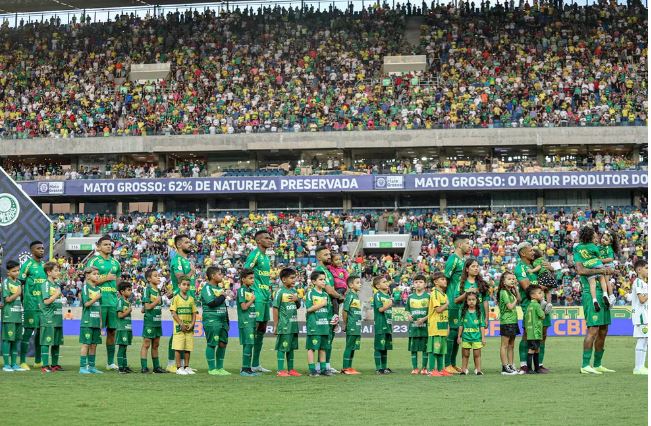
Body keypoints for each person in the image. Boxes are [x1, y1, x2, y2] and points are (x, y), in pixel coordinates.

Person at [575, 226, 616, 375]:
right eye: (595, 235)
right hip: (590, 293)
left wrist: (609, 271)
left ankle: (597, 364)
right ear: (590, 237)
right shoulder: (578, 249)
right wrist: (602, 270)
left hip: (603, 291)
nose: (597, 237)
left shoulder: (595, 249)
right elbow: (580, 271)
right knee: (593, 329)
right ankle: (585, 365)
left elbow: (604, 265)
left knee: (604, 329)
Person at [86, 235, 122, 371]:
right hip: (98, 301)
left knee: (112, 332)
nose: (109, 246)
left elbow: (117, 281)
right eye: (105, 244)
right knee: (95, 331)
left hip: (112, 301)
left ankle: (110, 362)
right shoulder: (93, 261)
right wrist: (106, 277)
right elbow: (89, 279)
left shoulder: (116, 263)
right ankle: (90, 363)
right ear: (99, 246)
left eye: (110, 244)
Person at [515, 242, 551, 373]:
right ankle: (524, 364)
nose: (533, 252)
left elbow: (550, 280)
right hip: (529, 306)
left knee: (543, 334)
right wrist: (544, 287)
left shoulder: (536, 265)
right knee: (527, 334)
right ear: (523, 253)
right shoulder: (520, 268)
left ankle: (539, 365)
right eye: (530, 250)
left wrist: (550, 269)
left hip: (543, 304)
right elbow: (527, 287)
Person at [243, 230, 274, 374]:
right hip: (257, 297)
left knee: (262, 329)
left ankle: (255, 364)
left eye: (270, 238)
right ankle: (246, 366)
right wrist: (249, 292)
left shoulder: (266, 258)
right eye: (267, 238)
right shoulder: (255, 254)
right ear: (259, 241)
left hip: (265, 297)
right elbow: (245, 270)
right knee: (253, 329)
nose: (270, 240)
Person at [166, 234, 197, 372]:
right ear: (178, 245)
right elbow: (180, 278)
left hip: (188, 298)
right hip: (180, 299)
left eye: (190, 241)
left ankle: (184, 365)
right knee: (177, 332)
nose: (190, 244)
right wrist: (192, 272)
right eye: (186, 242)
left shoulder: (185, 260)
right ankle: (172, 363)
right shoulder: (177, 259)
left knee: (186, 332)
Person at [314, 246, 344, 374]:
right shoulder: (319, 271)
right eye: (325, 255)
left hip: (331, 308)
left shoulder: (328, 271)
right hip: (323, 309)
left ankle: (326, 364)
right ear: (319, 257)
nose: (329, 257)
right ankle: (319, 365)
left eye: (329, 255)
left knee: (330, 336)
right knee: (325, 337)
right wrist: (340, 296)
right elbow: (329, 290)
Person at [18, 240, 47, 370]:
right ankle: (22, 361)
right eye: (39, 248)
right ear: (32, 251)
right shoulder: (27, 265)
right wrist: (22, 300)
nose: (42, 250)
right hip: (31, 304)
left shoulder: (45, 266)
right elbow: (20, 283)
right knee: (28, 332)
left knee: (40, 333)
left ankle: (38, 360)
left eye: (42, 248)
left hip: (43, 305)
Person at [444, 234, 470, 374]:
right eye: (467, 243)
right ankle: (447, 363)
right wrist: (446, 298)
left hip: (460, 300)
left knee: (457, 332)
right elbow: (444, 279)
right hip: (452, 301)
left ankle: (453, 364)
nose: (469, 246)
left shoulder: (463, 260)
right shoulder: (453, 259)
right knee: (452, 332)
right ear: (459, 245)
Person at [201, 266, 231, 376]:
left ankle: (220, 368)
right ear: (213, 276)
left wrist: (227, 321)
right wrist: (223, 296)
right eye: (219, 274)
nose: (221, 276)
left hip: (222, 320)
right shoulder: (207, 288)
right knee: (212, 343)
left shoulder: (219, 289)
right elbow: (211, 303)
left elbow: (223, 305)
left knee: (223, 343)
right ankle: (212, 368)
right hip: (212, 319)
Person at [272, 267, 301, 377]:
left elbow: (297, 306)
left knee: (291, 347)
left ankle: (291, 369)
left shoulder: (293, 291)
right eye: (292, 278)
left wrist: (297, 299)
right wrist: (276, 325)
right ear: (284, 279)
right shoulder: (280, 292)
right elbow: (275, 308)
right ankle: (280, 370)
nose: (294, 280)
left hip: (293, 325)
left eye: (295, 278)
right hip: (284, 325)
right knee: (282, 347)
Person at [305, 270, 333, 377]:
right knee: (312, 347)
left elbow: (329, 310)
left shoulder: (326, 294)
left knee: (323, 348)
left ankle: (323, 369)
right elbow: (308, 309)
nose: (323, 281)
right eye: (320, 279)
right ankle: (312, 369)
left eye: (324, 279)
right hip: (314, 325)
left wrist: (332, 320)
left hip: (325, 325)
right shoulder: (310, 293)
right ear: (313, 281)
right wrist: (322, 304)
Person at [580, 230, 615, 311]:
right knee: (602, 280)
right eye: (603, 238)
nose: (603, 240)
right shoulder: (598, 247)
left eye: (606, 240)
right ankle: (605, 295)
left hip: (607, 265)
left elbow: (611, 258)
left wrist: (600, 261)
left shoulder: (608, 248)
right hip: (599, 265)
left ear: (609, 243)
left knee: (605, 281)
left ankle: (611, 296)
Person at [140, 268, 167, 374]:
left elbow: (143, 309)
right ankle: (144, 367)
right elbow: (148, 307)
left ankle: (156, 367)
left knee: (156, 345)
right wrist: (157, 300)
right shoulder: (147, 289)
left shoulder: (159, 290)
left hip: (157, 321)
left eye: (158, 275)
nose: (158, 277)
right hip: (150, 322)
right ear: (149, 279)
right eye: (155, 276)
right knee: (146, 344)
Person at [170, 276, 198, 376]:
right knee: (178, 348)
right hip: (179, 328)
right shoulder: (176, 298)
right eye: (184, 284)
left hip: (189, 328)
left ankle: (186, 366)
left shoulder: (191, 299)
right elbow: (173, 313)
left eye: (188, 285)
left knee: (188, 348)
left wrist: (192, 323)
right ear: (179, 285)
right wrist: (181, 323)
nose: (186, 287)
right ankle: (178, 367)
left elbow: (194, 313)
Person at [39, 261, 64, 373]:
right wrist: (56, 295)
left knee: (56, 342)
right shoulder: (45, 284)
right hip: (48, 317)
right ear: (49, 272)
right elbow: (46, 301)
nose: (58, 272)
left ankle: (54, 364)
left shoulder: (56, 285)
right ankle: (45, 365)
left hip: (57, 317)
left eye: (58, 270)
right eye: (56, 270)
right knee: (46, 341)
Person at [427, 272, 452, 377]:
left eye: (445, 279)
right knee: (434, 349)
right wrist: (446, 304)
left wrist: (448, 326)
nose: (445, 281)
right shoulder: (435, 293)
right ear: (435, 282)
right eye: (442, 279)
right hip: (435, 326)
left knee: (442, 350)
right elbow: (438, 310)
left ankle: (441, 370)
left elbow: (445, 313)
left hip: (443, 325)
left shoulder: (444, 294)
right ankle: (432, 370)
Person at [2, 260, 25, 372]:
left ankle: (14, 364)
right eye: (14, 271)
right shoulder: (6, 282)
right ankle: (6, 365)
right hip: (9, 315)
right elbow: (7, 299)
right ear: (8, 272)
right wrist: (17, 293)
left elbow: (19, 300)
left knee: (16, 340)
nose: (16, 273)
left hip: (18, 315)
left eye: (18, 270)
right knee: (7, 339)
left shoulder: (19, 283)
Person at [79, 266, 102, 374]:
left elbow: (99, 307)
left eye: (98, 274)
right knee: (86, 344)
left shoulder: (98, 289)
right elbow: (86, 304)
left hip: (96, 321)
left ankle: (92, 367)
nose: (97, 276)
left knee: (94, 345)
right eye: (95, 274)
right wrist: (96, 298)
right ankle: (82, 367)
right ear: (88, 275)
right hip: (87, 321)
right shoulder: (85, 287)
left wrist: (101, 321)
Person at [497, 271, 520, 375]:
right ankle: (505, 367)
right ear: (504, 281)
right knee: (504, 345)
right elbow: (510, 306)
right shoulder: (503, 292)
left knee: (511, 345)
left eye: (513, 279)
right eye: (509, 279)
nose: (512, 280)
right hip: (506, 321)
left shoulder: (510, 291)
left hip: (513, 320)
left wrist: (515, 289)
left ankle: (511, 365)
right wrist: (515, 300)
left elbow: (519, 299)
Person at [457, 292, 485, 375]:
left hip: (477, 337)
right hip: (466, 337)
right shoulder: (463, 312)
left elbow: (482, 326)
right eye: (469, 300)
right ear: (466, 301)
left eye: (473, 299)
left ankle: (478, 370)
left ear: (477, 301)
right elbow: (461, 325)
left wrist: (483, 338)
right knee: (465, 354)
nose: (471, 301)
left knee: (477, 354)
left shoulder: (479, 312)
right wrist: (459, 336)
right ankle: (464, 370)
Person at [406, 274, 429, 375]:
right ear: (413, 284)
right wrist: (408, 316)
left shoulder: (429, 296)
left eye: (420, 282)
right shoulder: (410, 297)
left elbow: (431, 312)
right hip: (413, 327)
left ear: (425, 284)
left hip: (425, 327)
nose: (418, 284)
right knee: (413, 349)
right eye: (416, 282)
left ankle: (424, 368)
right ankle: (415, 368)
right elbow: (407, 310)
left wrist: (424, 319)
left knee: (425, 349)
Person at [237, 269, 258, 377]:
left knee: (250, 344)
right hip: (245, 321)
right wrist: (252, 300)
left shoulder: (251, 290)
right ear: (243, 279)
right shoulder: (241, 290)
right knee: (248, 344)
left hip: (252, 321)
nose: (252, 280)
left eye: (253, 278)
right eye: (250, 278)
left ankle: (248, 368)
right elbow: (244, 307)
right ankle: (244, 369)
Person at [341, 275, 362, 375]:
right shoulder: (349, 295)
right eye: (357, 282)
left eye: (360, 282)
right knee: (349, 346)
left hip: (357, 325)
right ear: (350, 285)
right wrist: (345, 324)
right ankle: (345, 368)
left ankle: (349, 367)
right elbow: (345, 311)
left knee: (353, 347)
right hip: (352, 325)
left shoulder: (356, 296)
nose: (360, 284)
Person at [372, 275, 393, 375]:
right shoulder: (377, 295)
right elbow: (380, 309)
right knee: (379, 347)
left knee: (385, 347)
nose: (387, 283)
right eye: (384, 282)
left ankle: (384, 367)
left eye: (386, 282)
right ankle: (378, 368)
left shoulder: (387, 295)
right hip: (381, 324)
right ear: (378, 286)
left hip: (388, 324)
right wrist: (388, 305)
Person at [631, 259, 648, 375]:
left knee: (645, 340)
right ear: (639, 269)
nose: (648, 270)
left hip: (645, 315)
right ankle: (638, 367)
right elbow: (642, 299)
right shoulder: (637, 282)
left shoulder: (644, 283)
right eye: (646, 268)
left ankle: (642, 366)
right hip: (641, 316)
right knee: (642, 340)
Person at [524, 286, 546, 374]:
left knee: (536, 349)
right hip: (535, 330)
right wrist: (545, 310)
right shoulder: (536, 305)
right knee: (533, 349)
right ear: (532, 295)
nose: (542, 294)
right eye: (539, 293)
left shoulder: (529, 305)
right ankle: (530, 369)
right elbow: (542, 316)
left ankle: (536, 368)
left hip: (530, 330)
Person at [116, 281, 134, 374]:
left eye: (131, 290)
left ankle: (125, 366)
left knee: (125, 347)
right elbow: (119, 315)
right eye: (128, 290)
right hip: (122, 328)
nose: (130, 291)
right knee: (122, 347)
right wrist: (129, 311)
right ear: (122, 292)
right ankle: (120, 367)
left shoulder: (128, 302)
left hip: (127, 328)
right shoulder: (120, 301)